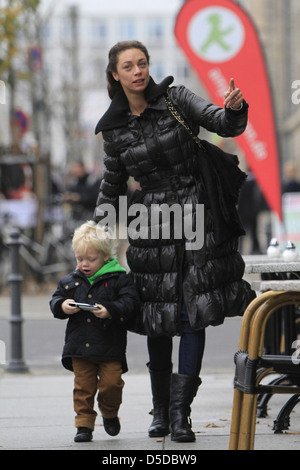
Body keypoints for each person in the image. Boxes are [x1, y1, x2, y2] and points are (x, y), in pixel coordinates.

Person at [93, 40, 256, 443]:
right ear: (115, 74)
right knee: (157, 319)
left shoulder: (175, 98)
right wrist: (95, 236)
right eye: (128, 66)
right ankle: (161, 412)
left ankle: (181, 414)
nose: (137, 71)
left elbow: (223, 123)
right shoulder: (113, 129)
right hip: (150, 223)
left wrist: (234, 108)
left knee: (192, 313)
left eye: (142, 63)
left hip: (196, 214)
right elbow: (112, 186)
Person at [49, 220, 139, 442]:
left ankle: (109, 413)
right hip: (79, 347)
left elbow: (131, 303)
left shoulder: (119, 278)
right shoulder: (71, 281)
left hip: (110, 347)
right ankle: (84, 425)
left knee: (111, 384)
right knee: (83, 389)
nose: (84, 264)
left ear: (106, 256)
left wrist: (109, 310)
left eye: (91, 259)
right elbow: (56, 300)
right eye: (80, 259)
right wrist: (62, 306)